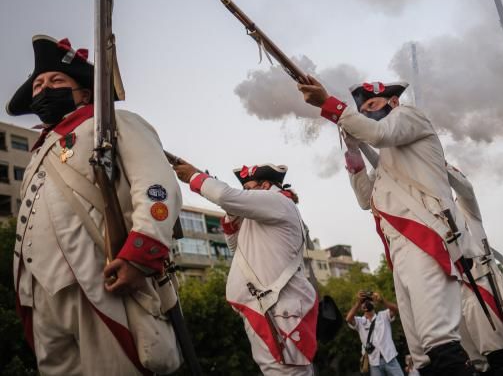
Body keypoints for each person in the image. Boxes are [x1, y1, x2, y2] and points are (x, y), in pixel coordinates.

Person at [7, 35, 182, 375]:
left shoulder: (114, 124)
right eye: (39, 84)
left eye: (57, 80)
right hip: (40, 292)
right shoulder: (37, 154)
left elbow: (157, 187)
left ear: (85, 93)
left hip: (100, 281)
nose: (45, 88)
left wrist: (139, 254)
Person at [298, 78, 471, 375]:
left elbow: (378, 133)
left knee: (439, 340)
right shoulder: (388, 162)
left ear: (393, 102)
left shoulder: (409, 116)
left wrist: (331, 104)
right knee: (423, 354)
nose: (367, 113)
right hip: (401, 250)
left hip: (424, 238)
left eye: (372, 106)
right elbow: (366, 199)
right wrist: (352, 151)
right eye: (362, 110)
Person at [173, 161, 318, 374]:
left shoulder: (276, 201)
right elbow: (235, 247)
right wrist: (232, 211)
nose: (245, 195)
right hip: (269, 308)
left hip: (277, 311)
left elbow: (224, 196)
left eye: (248, 190)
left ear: (266, 186)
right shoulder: (263, 214)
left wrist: (194, 176)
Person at [447, 164, 503, 375]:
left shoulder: (464, 207)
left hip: (480, 284)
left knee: (499, 357)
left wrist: (437, 165)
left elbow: (465, 188)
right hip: (454, 293)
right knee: (476, 365)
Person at [346, 290, 403, 376]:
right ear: (361, 307)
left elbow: (396, 310)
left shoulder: (383, 315)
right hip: (374, 362)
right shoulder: (360, 321)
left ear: (374, 304)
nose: (366, 303)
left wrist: (382, 300)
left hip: (390, 358)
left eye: (369, 301)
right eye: (364, 302)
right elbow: (348, 319)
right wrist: (358, 302)